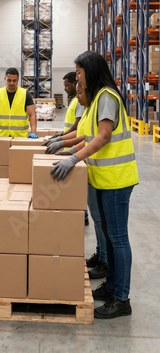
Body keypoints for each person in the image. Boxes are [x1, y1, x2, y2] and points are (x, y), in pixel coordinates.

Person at [50, 51, 139, 319]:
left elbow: (103, 137)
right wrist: (66, 148)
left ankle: (121, 298)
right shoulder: (95, 101)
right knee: (110, 237)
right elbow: (87, 135)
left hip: (116, 179)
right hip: (102, 178)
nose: (76, 79)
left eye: (78, 73)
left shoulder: (107, 98)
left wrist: (74, 157)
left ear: (90, 71)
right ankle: (111, 286)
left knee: (118, 238)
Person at [53, 82, 108, 279]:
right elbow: (85, 136)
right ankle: (101, 255)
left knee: (103, 223)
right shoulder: (87, 109)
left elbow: (95, 137)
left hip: (108, 174)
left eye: (79, 92)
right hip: (93, 169)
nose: (76, 96)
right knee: (97, 219)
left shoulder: (100, 106)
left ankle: (105, 261)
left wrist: (72, 153)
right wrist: (65, 144)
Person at [44, 72, 89, 225]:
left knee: (78, 185)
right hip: (73, 144)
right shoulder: (75, 100)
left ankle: (82, 214)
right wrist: (61, 137)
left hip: (78, 147)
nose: (64, 89)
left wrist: (62, 141)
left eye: (66, 85)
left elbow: (81, 129)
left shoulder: (81, 102)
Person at [0, 67, 38, 139]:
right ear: (5, 79)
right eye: (9, 80)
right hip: (1, 136)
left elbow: (32, 114)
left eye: (14, 80)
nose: (11, 83)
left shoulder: (25, 94)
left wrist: (33, 132)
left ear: (18, 80)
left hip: (20, 136)